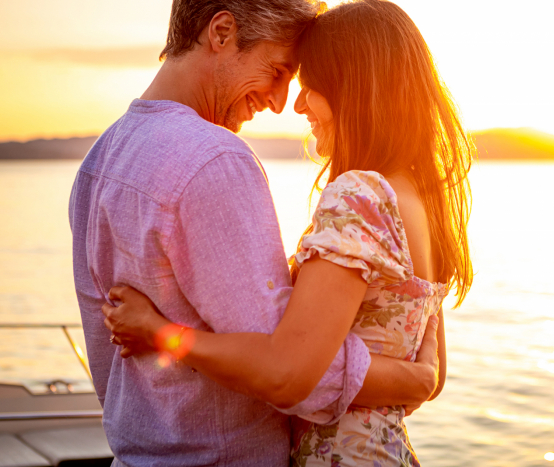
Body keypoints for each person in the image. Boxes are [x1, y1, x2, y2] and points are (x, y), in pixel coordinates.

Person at [69, 1, 442, 466]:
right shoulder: (215, 160)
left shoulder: (97, 163)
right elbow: (290, 375)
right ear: (221, 31)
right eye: (279, 70)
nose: (282, 102)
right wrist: (412, 379)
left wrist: (161, 336)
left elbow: (108, 365)